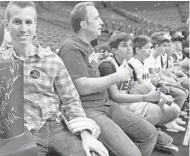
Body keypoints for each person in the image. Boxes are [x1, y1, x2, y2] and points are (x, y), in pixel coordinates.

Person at [0, 2, 108, 156]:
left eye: (28, 22)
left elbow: (71, 101)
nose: (23, 28)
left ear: (35, 26)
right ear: (7, 24)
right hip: (23, 134)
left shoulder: (52, 60)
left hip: (58, 128)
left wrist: (86, 135)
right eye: (17, 21)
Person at [58, 2, 158, 156]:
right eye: (97, 18)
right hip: (89, 109)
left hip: (105, 104)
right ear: (84, 24)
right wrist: (118, 76)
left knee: (150, 134)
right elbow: (81, 86)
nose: (102, 22)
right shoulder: (71, 47)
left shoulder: (87, 46)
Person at [144, 32, 188, 132]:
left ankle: (172, 118)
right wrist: (169, 83)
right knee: (179, 93)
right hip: (153, 87)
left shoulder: (157, 57)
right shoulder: (150, 58)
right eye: (164, 45)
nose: (167, 48)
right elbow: (153, 79)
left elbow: (158, 75)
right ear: (156, 46)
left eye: (168, 45)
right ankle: (167, 120)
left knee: (180, 91)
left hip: (158, 84)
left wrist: (171, 82)